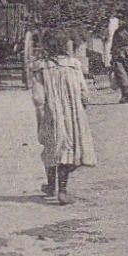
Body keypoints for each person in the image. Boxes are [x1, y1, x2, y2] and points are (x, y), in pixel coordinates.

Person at [27, 28, 97, 205]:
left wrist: (41, 112)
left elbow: (38, 96)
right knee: (68, 149)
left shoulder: (39, 67)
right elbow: (83, 91)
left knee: (51, 146)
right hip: (73, 113)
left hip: (51, 111)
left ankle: (52, 186)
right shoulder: (74, 65)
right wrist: (83, 105)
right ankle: (62, 190)